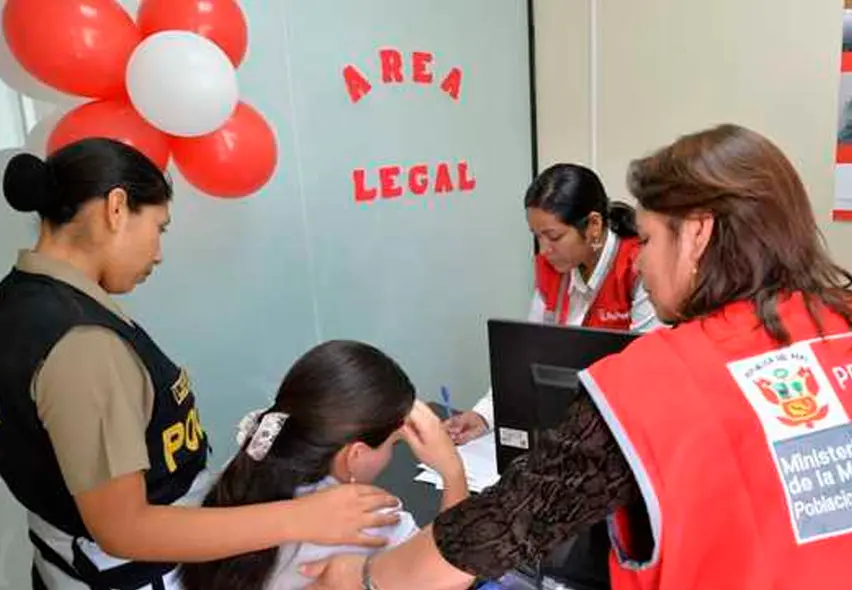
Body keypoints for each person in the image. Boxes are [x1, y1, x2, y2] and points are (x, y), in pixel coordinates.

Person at [301, 124, 852, 590]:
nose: (645, 262)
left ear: (696, 236)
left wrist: (361, 580)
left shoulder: (651, 385)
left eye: (653, 240)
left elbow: (500, 528)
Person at [0, 139, 401, 589]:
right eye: (159, 227)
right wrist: (302, 518)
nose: (158, 253)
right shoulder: (82, 342)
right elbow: (125, 529)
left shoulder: (22, 299)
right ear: (116, 208)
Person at [180, 340, 468, 590]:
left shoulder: (246, 467)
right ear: (355, 455)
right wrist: (452, 471)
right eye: (393, 443)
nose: (392, 452)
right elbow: (450, 570)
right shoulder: (368, 520)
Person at [445, 163, 659, 444]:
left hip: (622, 434)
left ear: (593, 225)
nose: (544, 250)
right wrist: (484, 415)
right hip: (568, 428)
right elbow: (527, 356)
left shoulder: (639, 268)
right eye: (537, 237)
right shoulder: (554, 268)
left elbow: (644, 374)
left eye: (554, 237)